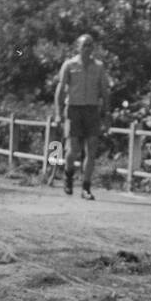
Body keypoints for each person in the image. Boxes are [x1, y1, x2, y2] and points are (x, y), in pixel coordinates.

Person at [53, 34, 111, 200]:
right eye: (85, 45)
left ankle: (86, 187)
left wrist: (107, 113)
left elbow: (105, 91)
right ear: (78, 47)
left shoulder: (99, 67)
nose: (88, 48)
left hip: (92, 110)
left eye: (90, 45)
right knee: (72, 149)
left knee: (91, 150)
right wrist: (58, 113)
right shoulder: (69, 65)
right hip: (74, 109)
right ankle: (68, 176)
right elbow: (61, 89)